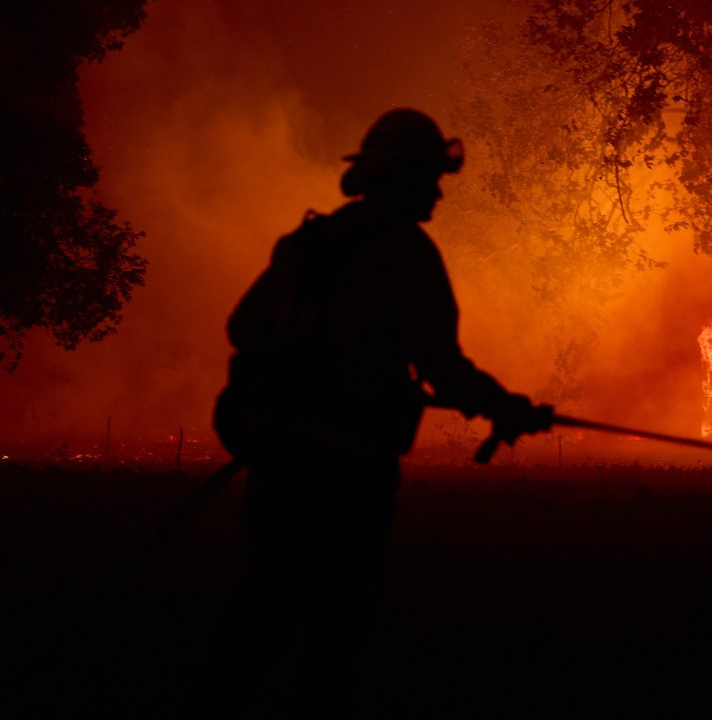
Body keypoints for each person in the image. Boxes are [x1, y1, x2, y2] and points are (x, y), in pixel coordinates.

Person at [204, 107, 552, 716]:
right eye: (430, 178)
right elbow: (441, 364)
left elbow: (245, 327)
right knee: (340, 618)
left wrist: (303, 373)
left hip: (280, 459)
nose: (438, 192)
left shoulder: (310, 243)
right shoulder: (406, 254)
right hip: (350, 467)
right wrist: (506, 408)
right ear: (403, 179)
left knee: (267, 599)